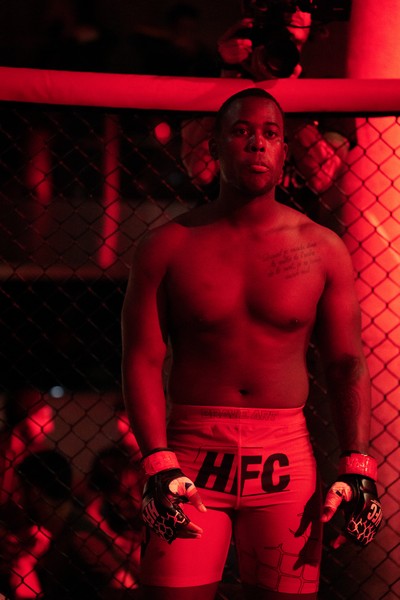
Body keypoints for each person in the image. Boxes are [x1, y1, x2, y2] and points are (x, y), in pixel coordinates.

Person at [121, 88, 382, 600]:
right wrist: (156, 461)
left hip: (284, 457)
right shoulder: (166, 246)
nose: (256, 144)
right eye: (241, 131)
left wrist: (358, 464)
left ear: (284, 152)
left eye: (270, 133)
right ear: (215, 147)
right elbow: (142, 359)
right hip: (192, 452)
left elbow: (346, 362)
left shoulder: (321, 248)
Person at [181, 6, 352, 208]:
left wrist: (287, 95)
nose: (292, 10)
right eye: (283, 3)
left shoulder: (327, 92)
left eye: (302, 3)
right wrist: (227, 79)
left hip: (292, 223)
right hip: (222, 220)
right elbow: (200, 172)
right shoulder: (210, 80)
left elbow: (321, 178)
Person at [15, 449, 131, 600]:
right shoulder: (58, 532)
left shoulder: (81, 539)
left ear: (34, 493)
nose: (16, 500)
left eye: (18, 490)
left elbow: (127, 587)